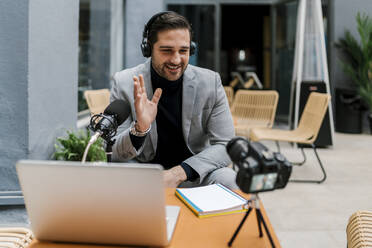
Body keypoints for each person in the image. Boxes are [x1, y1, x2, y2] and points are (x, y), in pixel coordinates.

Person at [110, 11, 237, 189]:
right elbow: (114, 152)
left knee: (230, 179)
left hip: (194, 173)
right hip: (146, 175)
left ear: (191, 49)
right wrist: (140, 129)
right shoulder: (124, 82)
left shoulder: (210, 82)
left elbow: (226, 145)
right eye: (167, 50)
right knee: (115, 175)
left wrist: (178, 173)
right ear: (148, 49)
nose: (176, 59)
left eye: (183, 51)